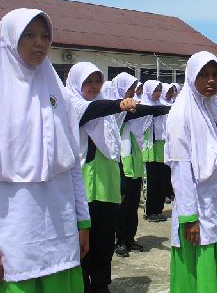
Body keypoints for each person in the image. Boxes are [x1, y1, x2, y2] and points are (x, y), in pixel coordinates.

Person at [0, 8, 89, 292]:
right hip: (13, 242)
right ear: (9, 40)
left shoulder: (57, 93)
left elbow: (71, 166)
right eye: (28, 35)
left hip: (61, 234)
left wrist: (82, 221)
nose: (39, 42)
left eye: (45, 36)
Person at [166, 51, 217, 292]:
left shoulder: (216, 111)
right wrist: (189, 218)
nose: (211, 80)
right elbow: (181, 170)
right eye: (203, 75)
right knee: (201, 272)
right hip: (196, 207)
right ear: (191, 76)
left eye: (216, 74)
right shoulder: (180, 114)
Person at [66, 62, 140, 290]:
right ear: (76, 82)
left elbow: (114, 149)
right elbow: (91, 111)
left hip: (107, 186)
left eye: (98, 81)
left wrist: (121, 184)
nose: (94, 86)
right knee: (82, 243)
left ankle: (101, 283)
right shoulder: (71, 106)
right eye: (88, 81)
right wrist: (118, 104)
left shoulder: (107, 114)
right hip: (81, 187)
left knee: (105, 240)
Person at [114, 74, 171, 257]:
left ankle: (130, 238)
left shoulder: (133, 105)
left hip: (135, 157)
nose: (133, 92)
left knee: (132, 203)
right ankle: (120, 241)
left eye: (134, 88)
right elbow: (148, 111)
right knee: (123, 204)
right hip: (122, 159)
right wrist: (168, 108)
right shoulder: (116, 108)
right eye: (130, 88)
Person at [139, 80, 172, 223]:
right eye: (155, 90)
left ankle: (158, 210)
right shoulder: (143, 106)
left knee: (161, 181)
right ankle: (149, 211)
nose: (158, 93)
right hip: (149, 148)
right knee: (151, 181)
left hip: (161, 147)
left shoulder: (163, 105)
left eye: (159, 90)